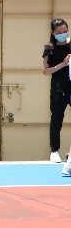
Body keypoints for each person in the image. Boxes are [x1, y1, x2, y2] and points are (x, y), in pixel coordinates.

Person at [43, 18, 71, 167]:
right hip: (58, 89)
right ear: (53, 33)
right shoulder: (50, 48)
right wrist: (63, 64)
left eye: (65, 31)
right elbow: (46, 71)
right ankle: (54, 150)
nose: (62, 34)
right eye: (59, 32)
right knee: (56, 120)